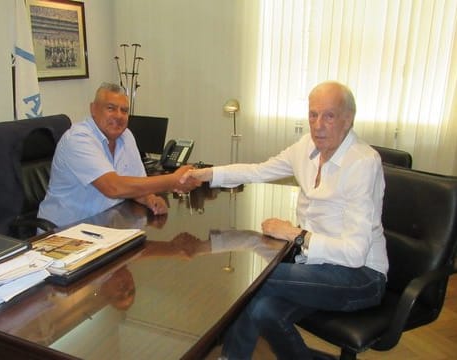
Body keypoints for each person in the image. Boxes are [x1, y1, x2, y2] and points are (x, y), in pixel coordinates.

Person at [180, 81, 388, 359]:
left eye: (329, 115)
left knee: (254, 279)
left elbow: (354, 253)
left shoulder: (362, 162)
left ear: (348, 119)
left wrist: (297, 235)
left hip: (360, 276)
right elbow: (257, 170)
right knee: (261, 309)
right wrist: (205, 174)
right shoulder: (306, 147)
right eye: (313, 115)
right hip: (314, 265)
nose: (318, 125)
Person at [38, 82, 200, 227]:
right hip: (64, 233)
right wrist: (173, 180)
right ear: (93, 109)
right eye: (110, 108)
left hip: (104, 227)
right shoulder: (79, 139)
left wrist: (148, 198)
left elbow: (136, 182)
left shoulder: (125, 135)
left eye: (124, 110)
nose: (118, 116)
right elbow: (113, 187)